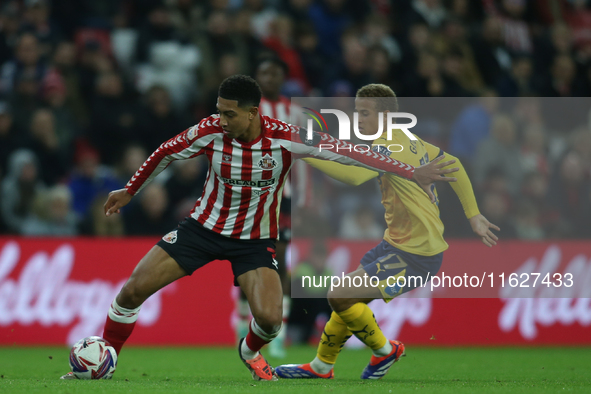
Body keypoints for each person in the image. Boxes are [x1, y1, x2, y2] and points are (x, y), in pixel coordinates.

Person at [59, 75, 457, 381]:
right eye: (219, 110)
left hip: (254, 241)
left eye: (230, 112)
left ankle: (249, 352)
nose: (222, 118)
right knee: (132, 290)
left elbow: (351, 153)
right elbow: (165, 151)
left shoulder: (286, 138)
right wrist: (130, 190)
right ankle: (108, 358)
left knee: (269, 320)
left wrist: (413, 171)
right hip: (201, 228)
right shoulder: (209, 131)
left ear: (253, 112)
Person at [276, 83, 500, 380]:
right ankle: (321, 366)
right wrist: (473, 215)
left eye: (364, 113)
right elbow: (454, 163)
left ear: (385, 115)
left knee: (339, 296)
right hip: (395, 244)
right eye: (357, 112)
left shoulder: (386, 144)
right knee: (346, 301)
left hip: (416, 254)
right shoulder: (408, 139)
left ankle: (385, 350)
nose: (358, 118)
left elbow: (356, 176)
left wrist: (305, 154)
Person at [233, 56, 293, 358]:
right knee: (246, 255)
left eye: (274, 72)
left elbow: (307, 155)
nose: (269, 78)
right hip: (248, 194)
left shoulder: (295, 112)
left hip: (287, 196)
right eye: (264, 73)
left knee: (280, 260)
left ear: (282, 77)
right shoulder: (245, 111)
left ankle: (276, 332)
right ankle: (242, 318)